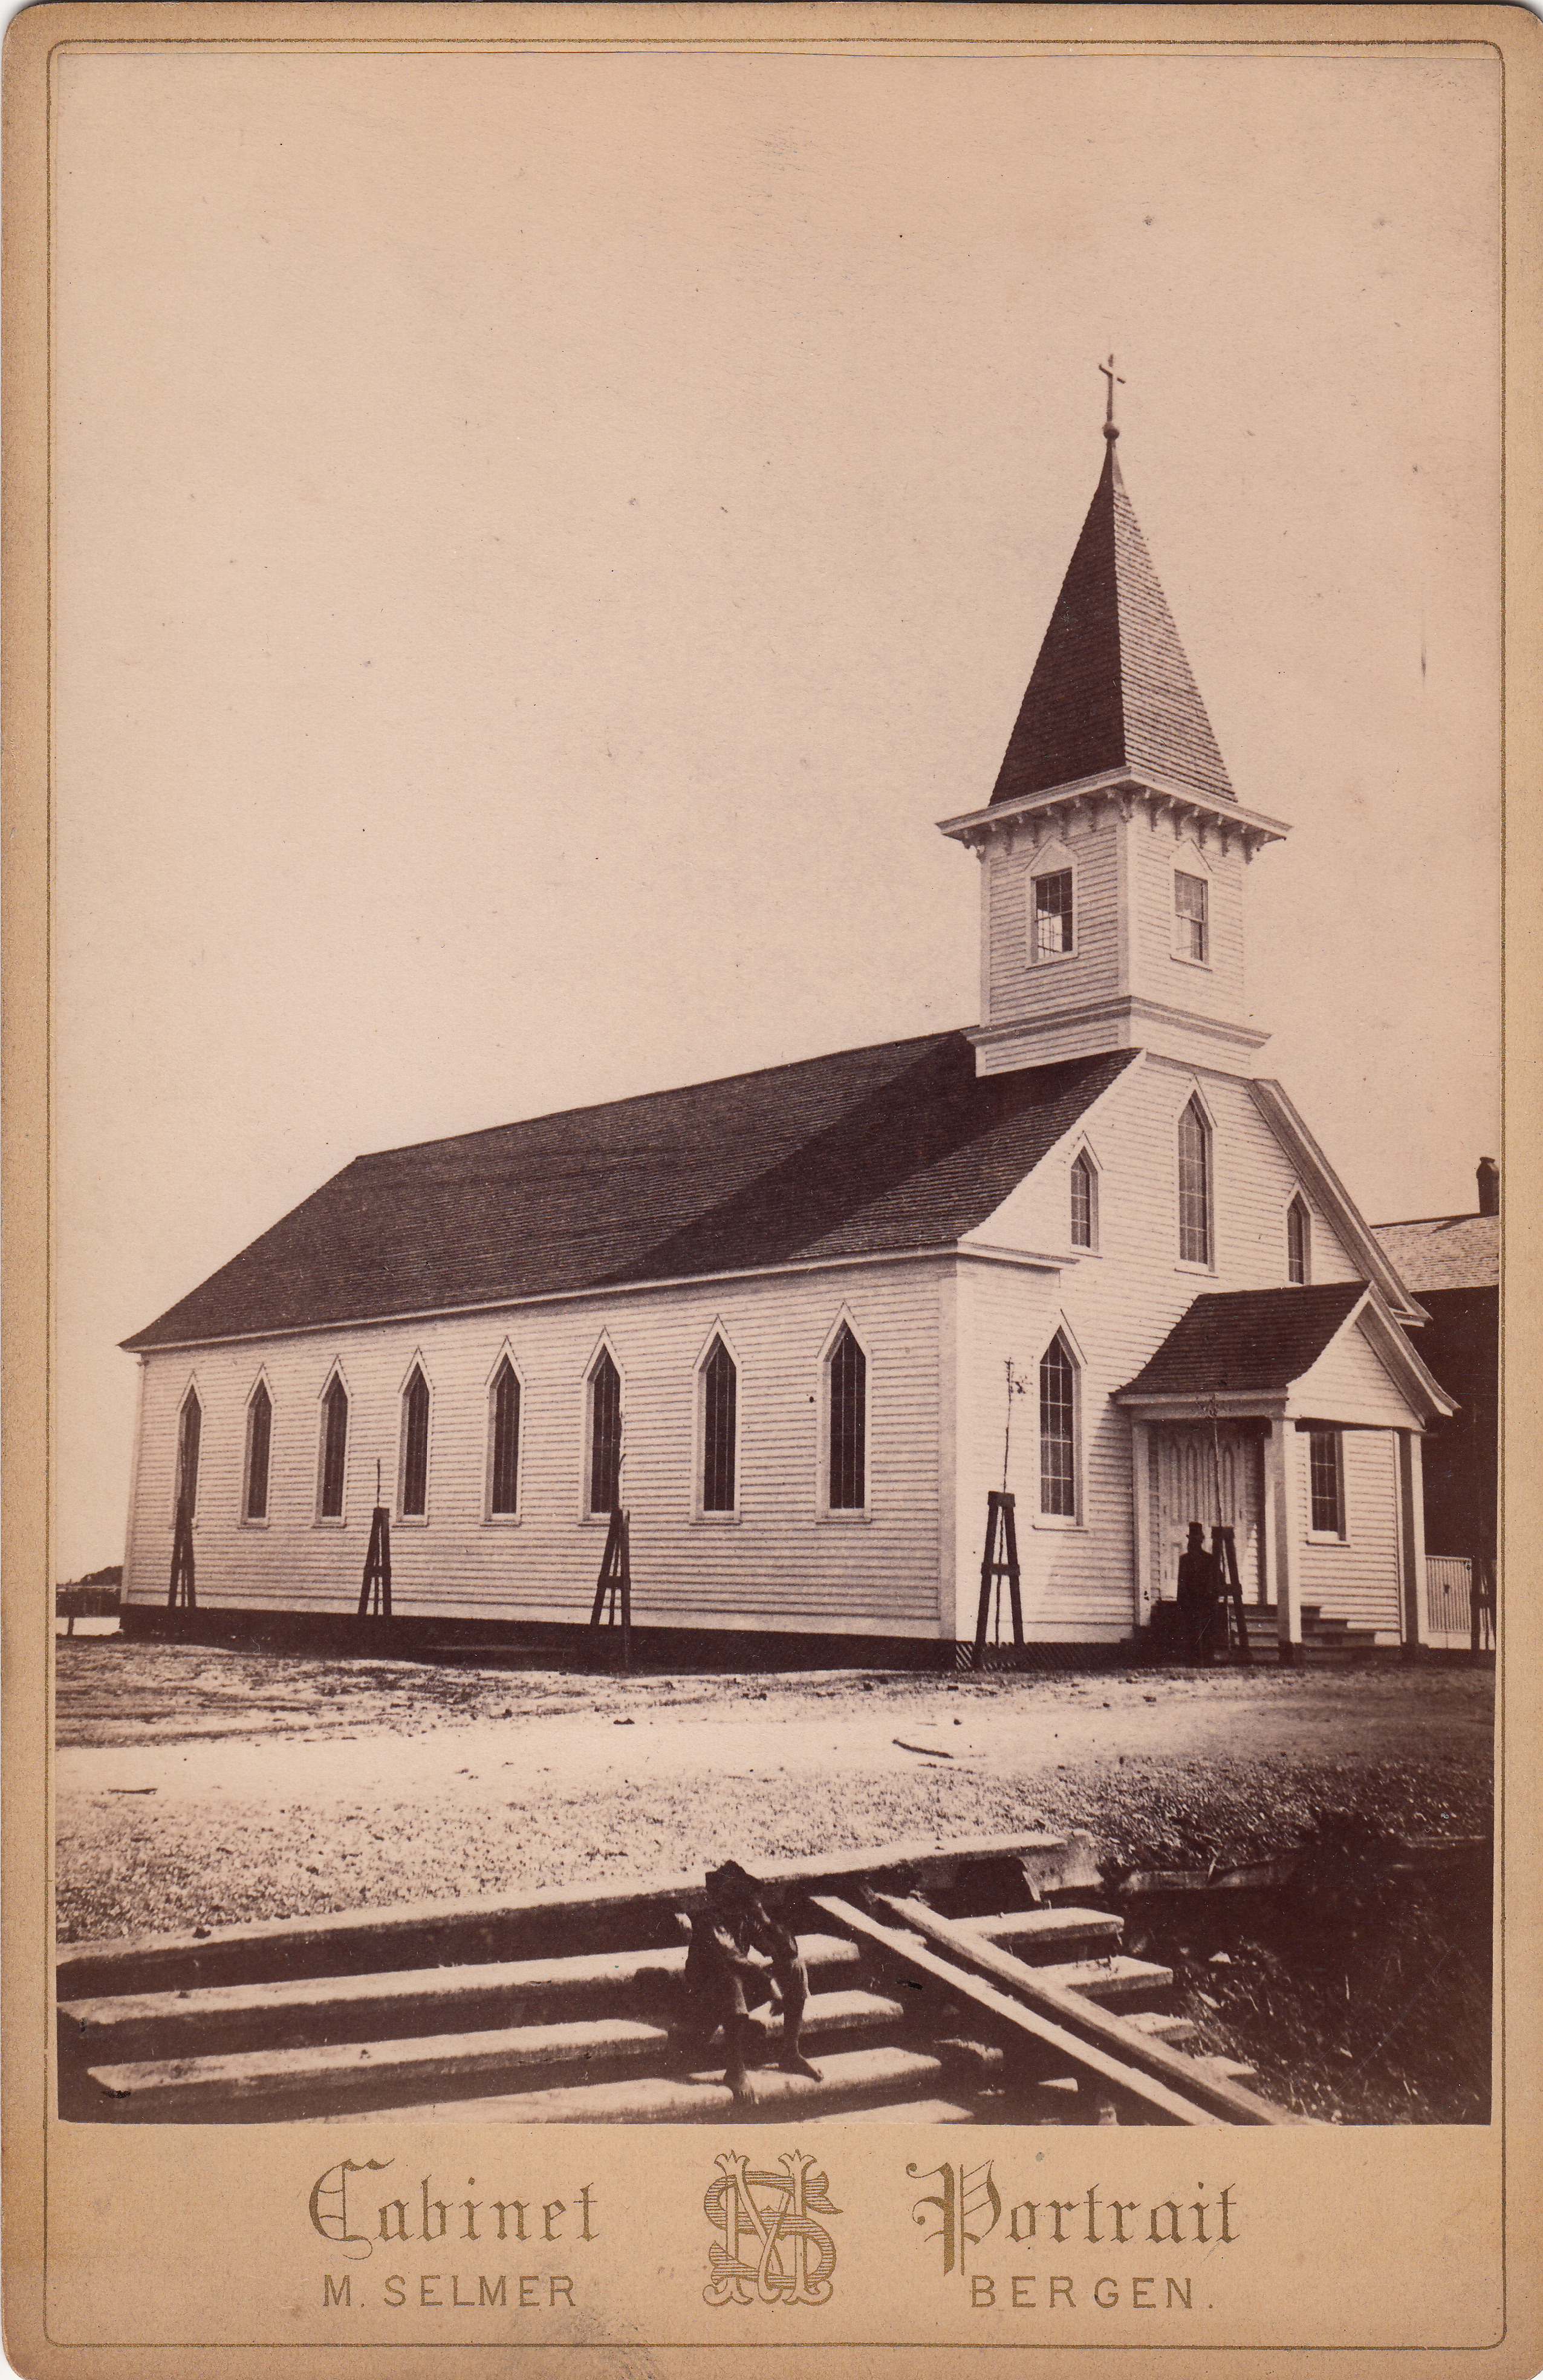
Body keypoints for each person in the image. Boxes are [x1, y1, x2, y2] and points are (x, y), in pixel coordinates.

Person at [676, 1860, 822, 2099]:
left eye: (741, 1893)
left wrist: (763, 1918)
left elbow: (787, 1952)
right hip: (704, 2000)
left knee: (795, 1967)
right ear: (718, 1896)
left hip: (736, 1992)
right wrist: (770, 1987)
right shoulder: (709, 1922)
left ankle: (790, 2053)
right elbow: (731, 1958)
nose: (736, 1899)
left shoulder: (745, 1920)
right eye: (730, 1893)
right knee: (729, 1979)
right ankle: (735, 2069)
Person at [1175, 1521, 1221, 1664]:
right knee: (1192, 1632)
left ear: (1201, 1541)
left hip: (1207, 1601)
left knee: (1207, 1631)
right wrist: (1181, 1602)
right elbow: (1181, 1584)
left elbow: (1219, 1579)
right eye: (1192, 1540)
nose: (1194, 1543)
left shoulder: (1210, 1559)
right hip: (1190, 1601)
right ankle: (1193, 1660)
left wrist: (1212, 1595)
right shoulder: (1185, 1560)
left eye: (1197, 1539)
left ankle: (1208, 1660)